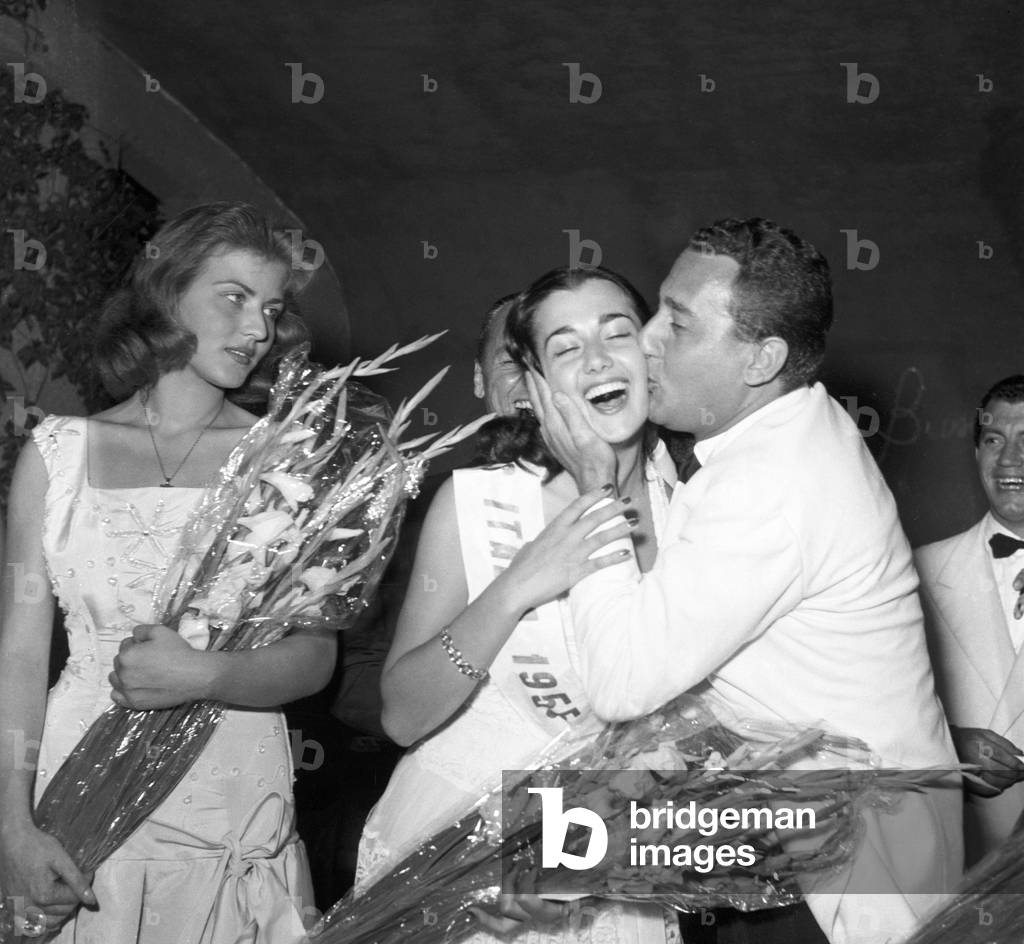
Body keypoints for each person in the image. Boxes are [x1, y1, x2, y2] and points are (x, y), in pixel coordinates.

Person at [526, 218, 963, 944]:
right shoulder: (787, 430)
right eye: (658, 308)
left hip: (835, 879)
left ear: (761, 360)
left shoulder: (773, 484)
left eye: (681, 324)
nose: (648, 338)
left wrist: (596, 485)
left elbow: (620, 682)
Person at [0, 202, 324, 942]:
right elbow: (17, 657)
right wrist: (11, 828)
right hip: (77, 781)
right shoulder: (57, 454)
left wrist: (205, 676)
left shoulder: (286, 460)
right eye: (235, 297)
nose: (258, 331)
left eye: (271, 310)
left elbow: (314, 659)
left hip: (229, 794)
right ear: (168, 292)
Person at [356, 266, 679, 944]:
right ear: (533, 384)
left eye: (616, 333)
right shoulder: (478, 504)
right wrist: (516, 587)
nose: (596, 358)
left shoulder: (708, 517)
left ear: (651, 357)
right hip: (460, 847)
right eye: (564, 346)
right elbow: (403, 716)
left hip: (614, 872)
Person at [915, 375, 1024, 865]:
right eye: (994, 440)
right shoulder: (913, 572)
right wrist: (948, 745)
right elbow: (865, 714)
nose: (1008, 460)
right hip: (966, 864)